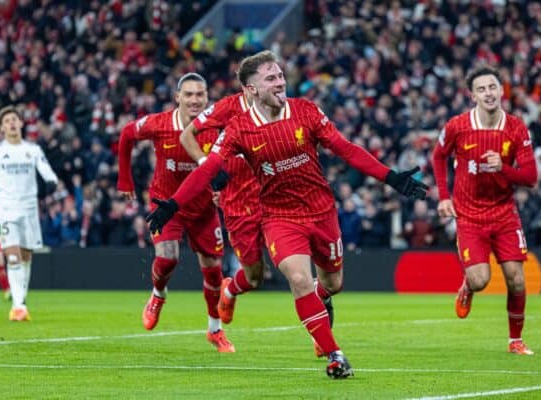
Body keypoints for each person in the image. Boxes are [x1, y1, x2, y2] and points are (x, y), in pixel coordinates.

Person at [146, 50, 427, 378]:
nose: (280, 82)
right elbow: (208, 168)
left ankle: (321, 305)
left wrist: (391, 177)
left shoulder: (306, 111)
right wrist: (173, 203)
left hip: (322, 212)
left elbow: (345, 148)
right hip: (279, 217)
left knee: (333, 284)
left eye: (280, 76)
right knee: (297, 278)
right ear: (251, 89)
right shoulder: (238, 127)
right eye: (271, 79)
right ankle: (335, 354)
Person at [180, 84, 335, 357]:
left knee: (299, 274)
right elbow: (187, 136)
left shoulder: (283, 109)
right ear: (249, 86)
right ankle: (230, 289)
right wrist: (207, 164)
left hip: (278, 204)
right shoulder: (228, 109)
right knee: (254, 278)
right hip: (239, 206)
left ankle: (322, 337)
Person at [117, 72, 235, 353]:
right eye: (189, 94)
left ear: (207, 98)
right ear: (178, 97)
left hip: (203, 208)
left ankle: (214, 330)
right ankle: (158, 295)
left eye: (200, 95)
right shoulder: (159, 124)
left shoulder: (216, 126)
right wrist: (125, 179)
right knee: (167, 258)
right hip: (165, 204)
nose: (195, 100)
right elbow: (126, 134)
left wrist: (224, 188)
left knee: (213, 272)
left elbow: (232, 160)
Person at [432, 66, 537, 355]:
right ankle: (467, 287)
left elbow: (530, 177)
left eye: (492, 87)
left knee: (516, 279)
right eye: (481, 89)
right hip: (469, 217)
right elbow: (438, 156)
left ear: (501, 90)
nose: (488, 93)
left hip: (504, 215)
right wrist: (443, 196)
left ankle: (515, 340)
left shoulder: (516, 128)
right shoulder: (457, 126)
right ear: (472, 95)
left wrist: (502, 168)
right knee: (481, 280)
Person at [0, 106, 58, 321]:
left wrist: (51, 183)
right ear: (2, 127)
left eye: (15, 119)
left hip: (29, 210)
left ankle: (21, 300)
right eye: (7, 121)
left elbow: (47, 171)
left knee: (25, 256)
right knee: (11, 254)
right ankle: (18, 305)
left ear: (21, 123)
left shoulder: (32, 150)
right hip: (5, 210)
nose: (12, 123)